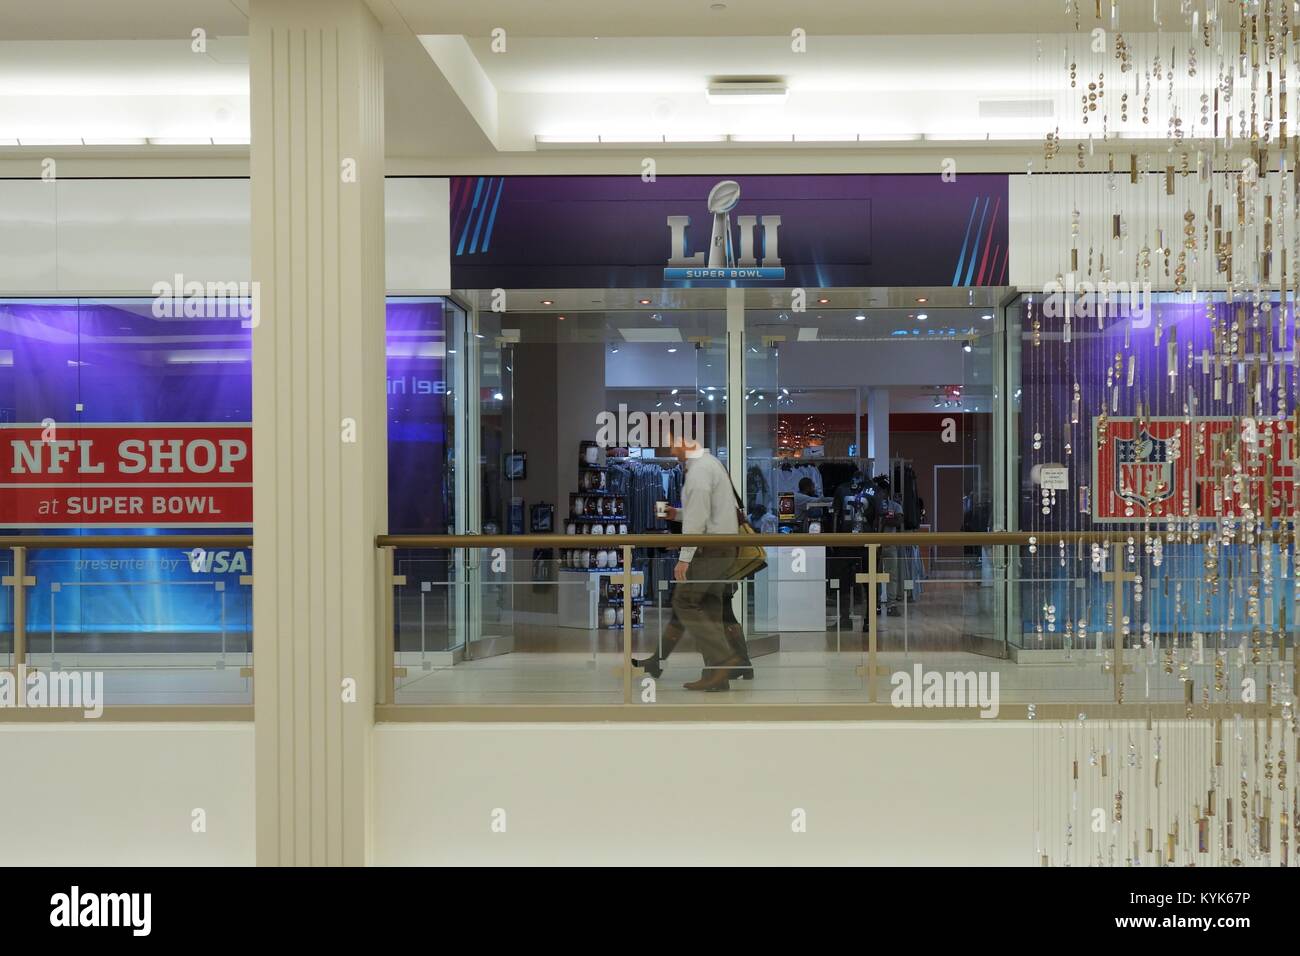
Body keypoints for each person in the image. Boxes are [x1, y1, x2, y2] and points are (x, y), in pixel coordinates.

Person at [649, 424, 750, 691]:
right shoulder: (709, 463)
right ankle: (717, 676)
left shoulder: (699, 470)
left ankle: (724, 659)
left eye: (672, 443)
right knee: (711, 607)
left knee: (685, 601)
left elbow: (697, 521)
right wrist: (677, 514)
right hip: (723, 547)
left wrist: (684, 557)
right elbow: (707, 512)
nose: (671, 450)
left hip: (711, 549)